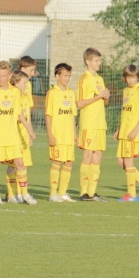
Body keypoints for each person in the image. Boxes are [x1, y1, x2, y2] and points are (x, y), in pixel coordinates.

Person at [0, 60, 36, 205]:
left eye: (4, 76)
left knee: (19, 163)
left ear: (9, 75)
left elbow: (20, 114)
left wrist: (30, 130)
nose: (1, 78)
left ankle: (24, 194)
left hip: (12, 136)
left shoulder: (15, 92)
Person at [114, 64, 139, 202]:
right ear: (125, 78)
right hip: (124, 132)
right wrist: (119, 129)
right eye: (128, 77)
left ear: (137, 77)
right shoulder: (125, 91)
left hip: (132, 133)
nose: (131, 80)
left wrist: (136, 130)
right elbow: (125, 112)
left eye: (133, 77)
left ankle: (131, 194)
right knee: (120, 161)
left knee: (128, 162)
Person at [77, 47, 110, 201]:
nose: (99, 63)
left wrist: (106, 97)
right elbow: (80, 103)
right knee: (88, 155)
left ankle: (92, 192)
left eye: (99, 60)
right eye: (96, 61)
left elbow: (104, 103)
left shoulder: (100, 79)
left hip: (100, 123)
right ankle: (83, 192)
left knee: (98, 156)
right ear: (87, 61)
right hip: (89, 123)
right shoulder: (84, 78)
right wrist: (98, 96)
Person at [45, 63, 77, 202]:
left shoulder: (71, 93)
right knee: (57, 162)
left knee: (69, 163)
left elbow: (73, 115)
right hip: (57, 135)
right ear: (57, 76)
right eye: (65, 76)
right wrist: (50, 135)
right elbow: (48, 115)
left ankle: (62, 192)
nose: (67, 78)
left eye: (69, 76)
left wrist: (75, 133)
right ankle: (53, 194)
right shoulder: (52, 93)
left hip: (69, 135)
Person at [5, 71, 36, 202]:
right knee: (15, 165)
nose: (26, 85)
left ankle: (19, 193)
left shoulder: (23, 95)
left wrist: (28, 132)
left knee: (22, 165)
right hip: (13, 134)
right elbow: (19, 115)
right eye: (24, 83)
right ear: (16, 83)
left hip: (22, 134)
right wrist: (30, 130)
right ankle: (14, 195)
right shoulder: (12, 95)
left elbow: (26, 114)